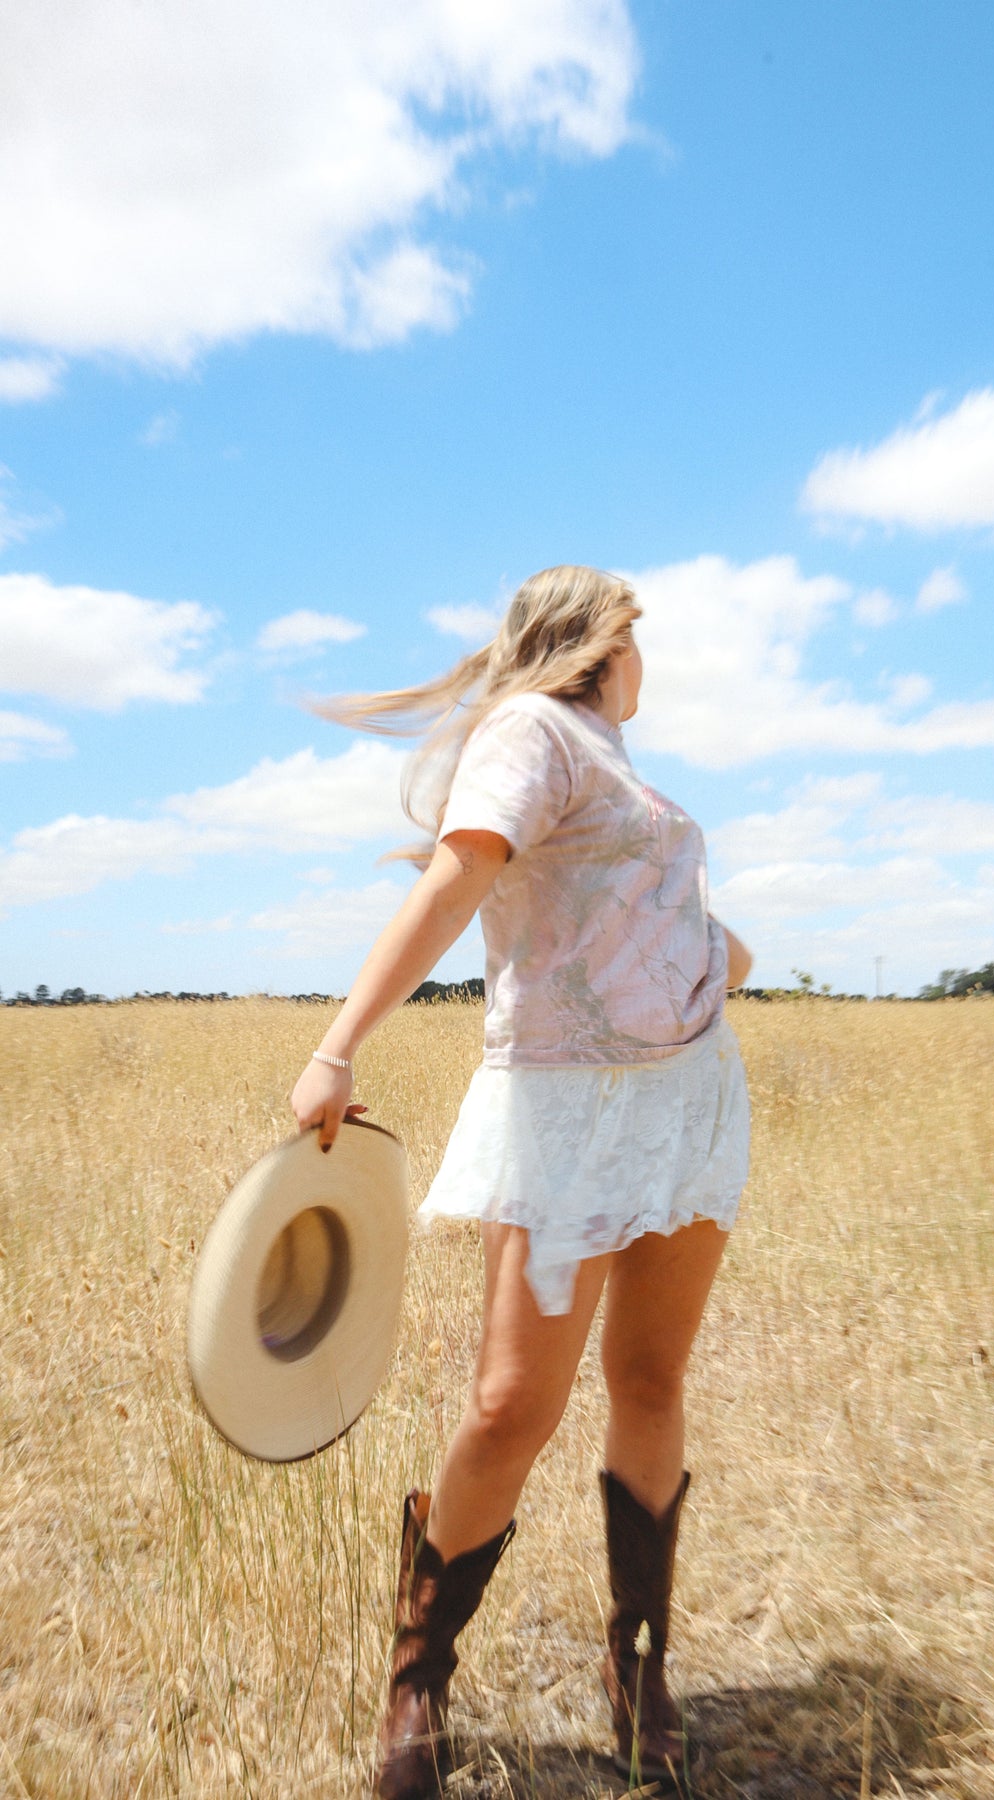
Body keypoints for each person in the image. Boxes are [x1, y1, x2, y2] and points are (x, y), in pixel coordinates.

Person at [290, 565, 752, 1799]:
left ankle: (636, 1664)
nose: (647, 662)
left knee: (652, 1379)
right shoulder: (532, 730)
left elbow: (624, 912)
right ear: (603, 643)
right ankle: (419, 1679)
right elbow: (459, 877)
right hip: (566, 1117)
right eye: (638, 641)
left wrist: (718, 952)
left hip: (684, 1112)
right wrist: (337, 1047)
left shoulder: (616, 764)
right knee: (509, 1406)